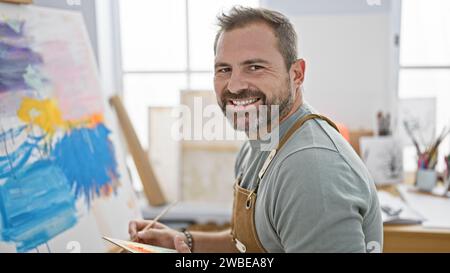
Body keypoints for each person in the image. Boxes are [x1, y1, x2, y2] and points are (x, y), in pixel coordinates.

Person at [129, 6, 382, 253]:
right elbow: (249, 245)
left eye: (255, 67)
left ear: (296, 74)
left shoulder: (311, 170)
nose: (235, 85)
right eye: (224, 69)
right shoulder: (259, 143)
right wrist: (183, 241)